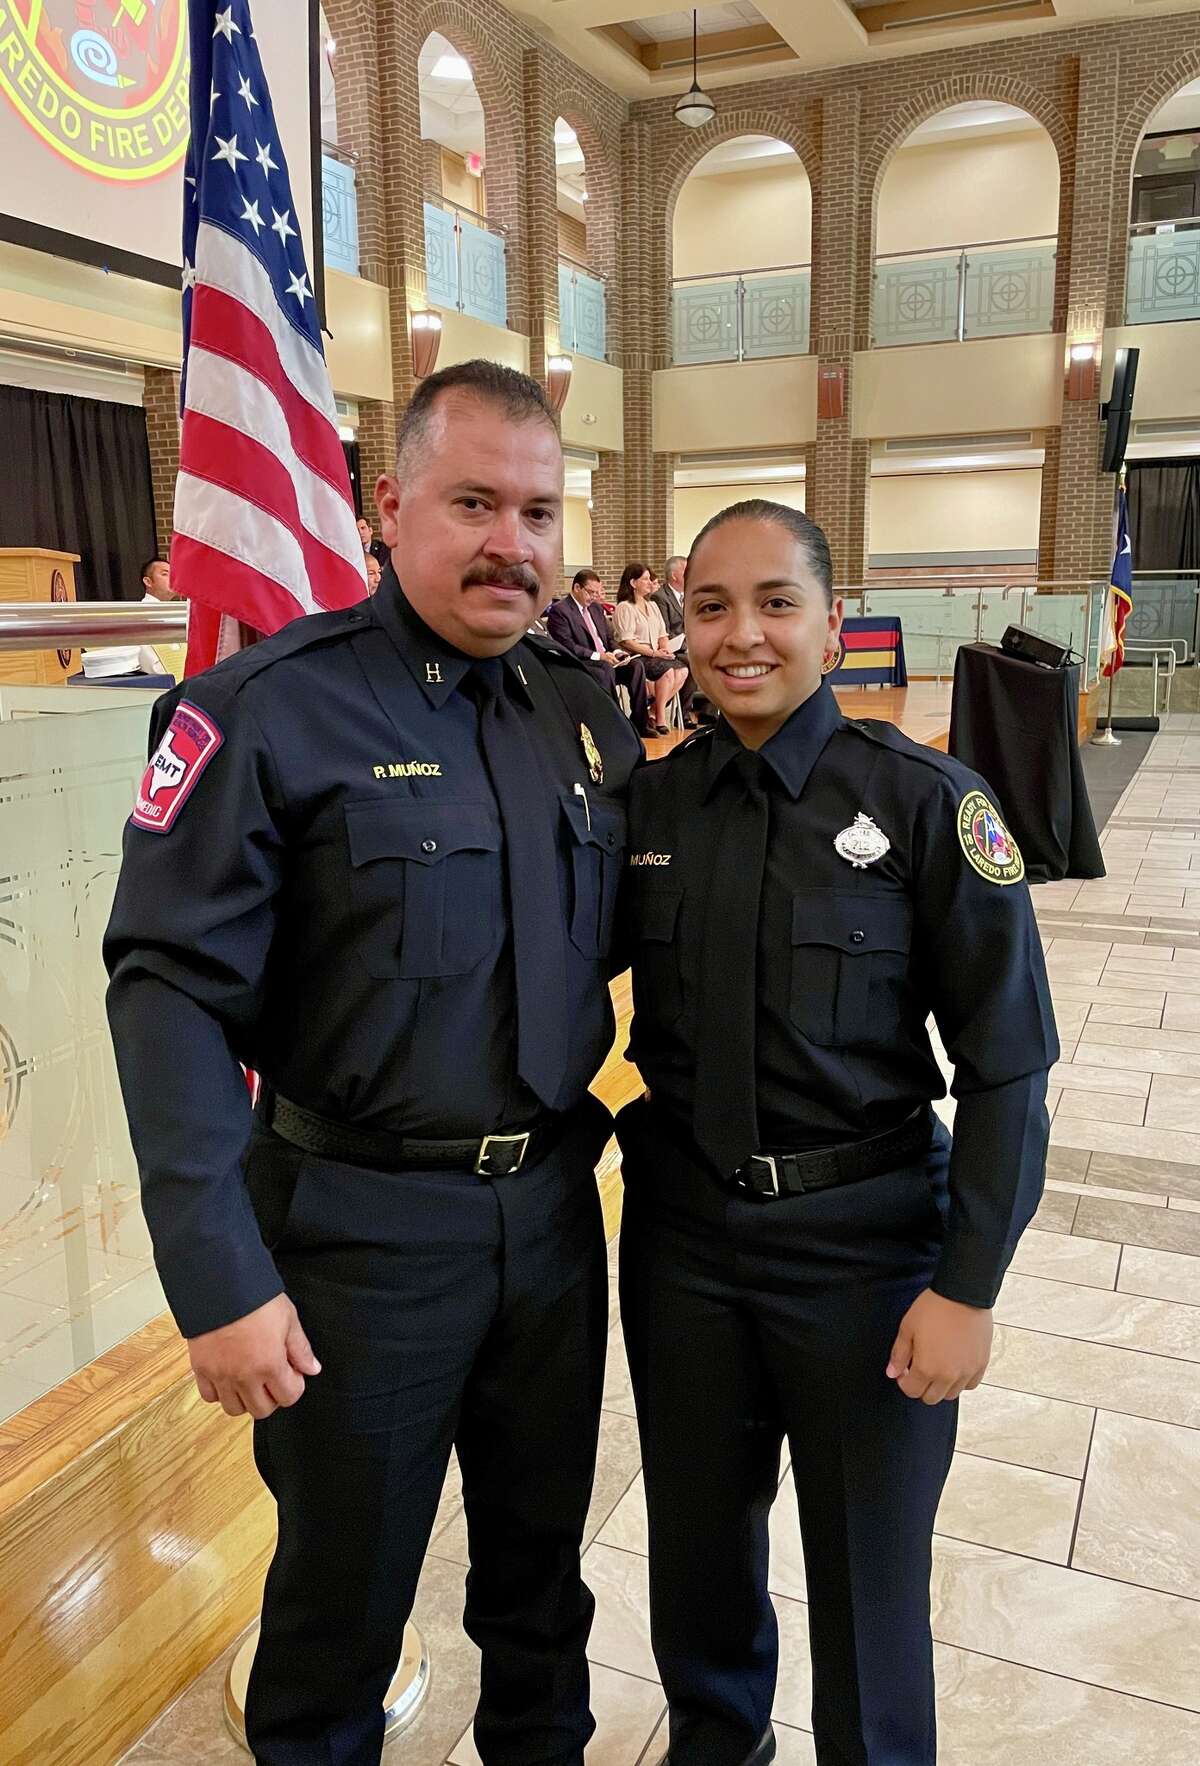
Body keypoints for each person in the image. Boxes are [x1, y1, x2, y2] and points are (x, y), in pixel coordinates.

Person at [104, 359, 642, 1766]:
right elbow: (164, 989)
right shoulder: (265, 711)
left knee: (541, 1591)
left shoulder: (581, 715)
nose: (509, 542)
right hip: (359, 1239)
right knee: (339, 1614)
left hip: (549, 1223)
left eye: (536, 511)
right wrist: (217, 1275)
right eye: (473, 501)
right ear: (387, 504)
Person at [615, 499, 1057, 1766]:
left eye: (774, 603)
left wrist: (967, 1284)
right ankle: (717, 1740)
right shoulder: (650, 807)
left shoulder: (928, 802)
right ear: (682, 627)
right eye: (709, 607)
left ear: (831, 620)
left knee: (867, 1569)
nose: (740, 634)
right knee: (697, 1542)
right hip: (687, 1244)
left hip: (866, 1256)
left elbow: (1010, 1066)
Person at [547, 569, 654, 737]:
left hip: (607, 660)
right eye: (590, 592)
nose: (594, 597)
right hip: (582, 662)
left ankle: (640, 723)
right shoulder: (560, 611)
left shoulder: (596, 609)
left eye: (597, 593)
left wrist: (618, 652)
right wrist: (599, 656)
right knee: (605, 669)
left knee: (636, 666)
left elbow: (609, 638)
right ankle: (614, 724)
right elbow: (566, 645)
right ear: (576, 587)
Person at [611, 563, 688, 736]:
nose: (649, 582)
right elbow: (627, 641)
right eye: (645, 579)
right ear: (633, 583)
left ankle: (652, 711)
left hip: (656, 653)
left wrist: (665, 649)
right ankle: (660, 718)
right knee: (668, 672)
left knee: (682, 671)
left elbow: (662, 633)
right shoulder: (625, 607)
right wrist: (654, 653)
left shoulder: (652, 605)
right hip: (637, 655)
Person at [652, 555, 699, 727]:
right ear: (674, 575)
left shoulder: (690, 595)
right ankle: (685, 714)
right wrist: (686, 646)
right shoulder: (660, 597)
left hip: (690, 645)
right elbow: (664, 631)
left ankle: (707, 712)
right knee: (692, 664)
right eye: (686, 570)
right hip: (672, 648)